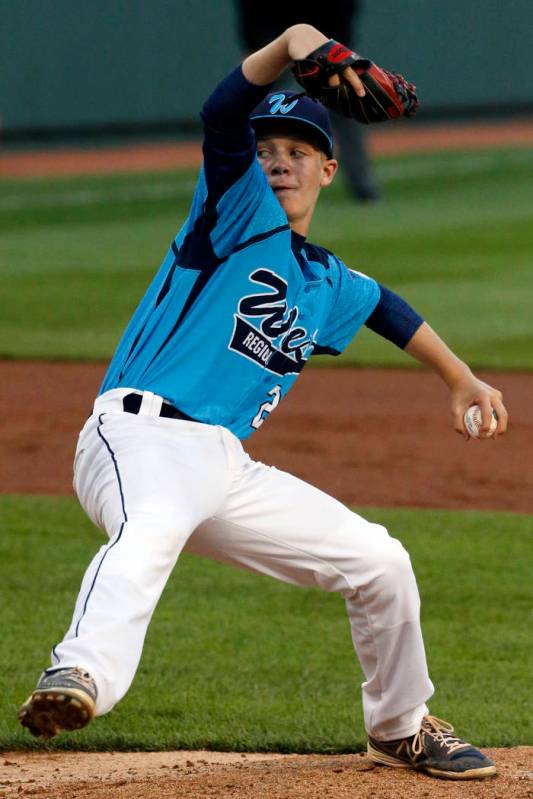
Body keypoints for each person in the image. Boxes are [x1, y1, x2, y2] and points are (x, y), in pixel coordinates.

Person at [19, 24, 506, 780]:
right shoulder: (234, 215)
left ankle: (399, 726)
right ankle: (77, 674)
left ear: (328, 169)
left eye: (296, 151)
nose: (277, 160)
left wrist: (459, 377)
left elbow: (386, 308)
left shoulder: (324, 279)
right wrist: (295, 45)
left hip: (224, 464)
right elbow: (222, 113)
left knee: (379, 561)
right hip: (138, 434)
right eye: (267, 149)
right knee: (148, 532)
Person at [235, 0, 380, 201]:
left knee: (346, 106)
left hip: (323, 39)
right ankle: (244, 185)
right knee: (253, 108)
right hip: (275, 41)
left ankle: (364, 186)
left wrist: (337, 45)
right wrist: (255, 45)